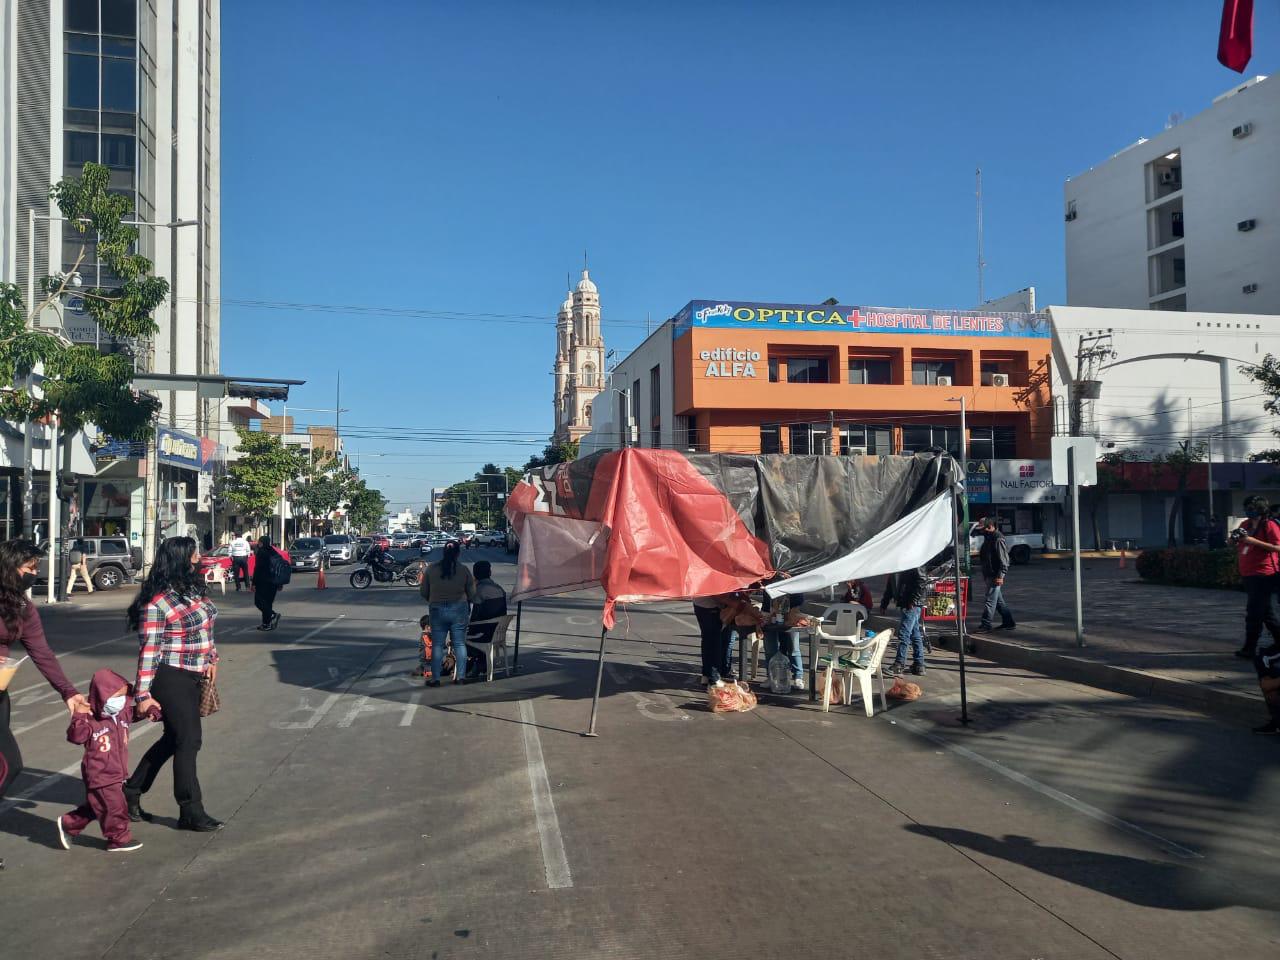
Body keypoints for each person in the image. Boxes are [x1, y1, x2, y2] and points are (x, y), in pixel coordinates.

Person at [122, 536, 222, 832]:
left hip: (195, 672)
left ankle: (132, 790)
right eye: (194, 554)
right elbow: (149, 651)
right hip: (170, 676)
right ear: (180, 559)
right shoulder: (157, 602)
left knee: (173, 739)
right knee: (189, 740)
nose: (198, 558)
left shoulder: (192, 590)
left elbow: (206, 628)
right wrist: (142, 695)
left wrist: (212, 657)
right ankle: (190, 810)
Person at [0, 540, 89, 804]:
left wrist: (68, 692)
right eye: (30, 567)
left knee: (6, 764)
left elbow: (42, 653)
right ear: (10, 567)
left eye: (36, 567)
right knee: (9, 764)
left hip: (0, 692)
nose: (34, 573)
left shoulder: (22, 607)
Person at [57, 668, 152, 853]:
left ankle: (70, 823)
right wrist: (79, 715)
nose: (120, 701)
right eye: (116, 697)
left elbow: (137, 712)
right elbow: (76, 737)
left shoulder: (121, 714)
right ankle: (119, 839)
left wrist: (150, 710)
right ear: (102, 696)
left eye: (123, 696)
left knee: (99, 806)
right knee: (115, 808)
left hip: (117, 772)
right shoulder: (90, 718)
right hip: (100, 773)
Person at [419, 541, 475, 687]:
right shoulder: (463, 570)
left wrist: (434, 599)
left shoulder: (431, 569)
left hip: (437, 610)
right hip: (459, 610)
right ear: (458, 554)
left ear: (443, 552)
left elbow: (423, 592)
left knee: (437, 645)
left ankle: (435, 679)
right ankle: (461, 677)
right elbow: (472, 594)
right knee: (459, 644)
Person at [1232, 496, 1280, 659]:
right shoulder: (1245, 525)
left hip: (1264, 574)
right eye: (1246, 507)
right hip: (1248, 574)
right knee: (1266, 613)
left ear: (1260, 509)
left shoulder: (1269, 525)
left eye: (1251, 508)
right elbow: (1238, 543)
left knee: (1254, 612)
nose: (1248, 511)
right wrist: (1233, 539)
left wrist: (1253, 541)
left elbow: (1278, 547)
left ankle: (1249, 648)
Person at [465, 561, 508, 680]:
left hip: (484, 634)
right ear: (490, 572)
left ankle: (479, 663)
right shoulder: (499, 589)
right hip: (498, 632)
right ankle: (481, 662)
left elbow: (473, 614)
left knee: (460, 636)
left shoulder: (478, 590)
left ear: (475, 574)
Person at [975, 517, 1016, 633]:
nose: (982, 531)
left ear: (990, 526)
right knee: (998, 601)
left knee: (990, 600)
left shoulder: (998, 538)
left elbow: (1004, 560)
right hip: (990, 573)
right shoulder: (989, 538)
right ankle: (1009, 622)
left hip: (995, 574)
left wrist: (1000, 576)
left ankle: (986, 624)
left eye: (983, 528)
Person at [885, 566, 928, 676]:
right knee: (914, 633)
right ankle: (919, 665)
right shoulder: (900, 563)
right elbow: (892, 584)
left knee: (904, 633)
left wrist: (913, 600)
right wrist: (884, 602)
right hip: (909, 602)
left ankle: (899, 664)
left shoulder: (914, 561)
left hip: (912, 603)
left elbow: (922, 580)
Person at [252, 536, 284, 631]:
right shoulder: (274, 552)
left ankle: (272, 615)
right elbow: (279, 568)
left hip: (263, 582)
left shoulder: (261, 552)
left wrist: (253, 583)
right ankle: (266, 624)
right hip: (274, 582)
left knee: (259, 602)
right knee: (268, 603)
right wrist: (280, 583)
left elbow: (258, 569)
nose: (258, 544)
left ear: (261, 543)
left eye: (259, 542)